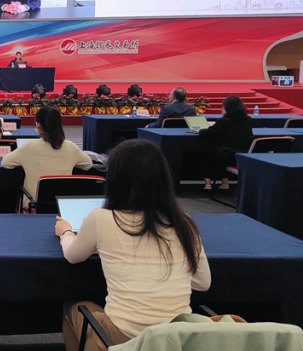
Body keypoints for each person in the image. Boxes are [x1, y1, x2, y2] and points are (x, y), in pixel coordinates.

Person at [55, 139, 210, 351]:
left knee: (72, 307)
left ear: (115, 179)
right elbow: (203, 283)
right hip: (177, 337)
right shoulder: (184, 223)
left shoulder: (101, 218)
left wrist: (65, 232)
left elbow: (73, 256)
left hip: (124, 337)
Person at [2, 106, 93, 207]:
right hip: (61, 206)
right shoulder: (71, 147)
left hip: (34, 206)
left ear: (38, 125)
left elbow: (5, 163)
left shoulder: (29, 147)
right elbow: (88, 164)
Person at [198, 96, 253, 192]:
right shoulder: (248, 120)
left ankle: (208, 184)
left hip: (228, 156)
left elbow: (206, 133)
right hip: (245, 155)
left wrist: (201, 129)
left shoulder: (224, 121)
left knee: (208, 151)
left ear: (227, 108)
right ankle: (224, 183)